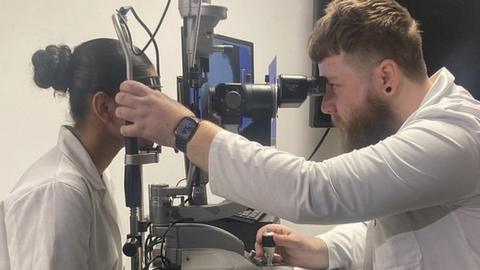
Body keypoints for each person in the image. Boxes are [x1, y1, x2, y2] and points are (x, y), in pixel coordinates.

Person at [114, 0, 480, 269]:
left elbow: (319, 188)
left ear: (386, 77)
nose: (327, 105)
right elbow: (382, 225)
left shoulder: (456, 134)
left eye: (334, 86)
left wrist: (185, 130)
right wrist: (324, 249)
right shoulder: (420, 131)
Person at [0, 38, 158, 270]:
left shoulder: (96, 175)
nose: (161, 109)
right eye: (148, 98)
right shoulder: (61, 190)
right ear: (104, 107)